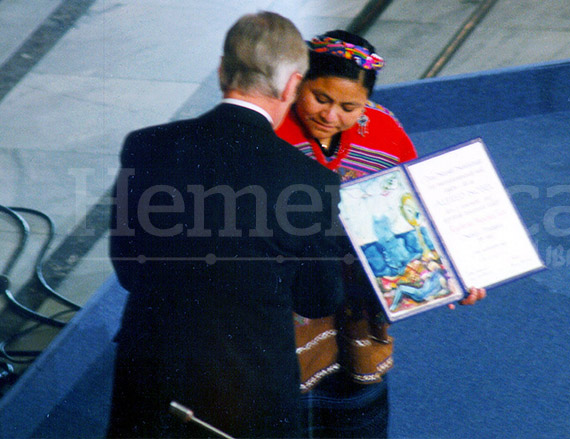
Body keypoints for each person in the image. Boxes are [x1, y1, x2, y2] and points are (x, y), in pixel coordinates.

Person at [107, 12, 347, 439]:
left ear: (221, 71)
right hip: (247, 400)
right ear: (293, 85)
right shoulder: (310, 182)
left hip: (151, 383)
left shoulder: (145, 146)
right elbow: (318, 297)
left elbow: (128, 270)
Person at [276, 30, 486, 438]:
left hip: (359, 305)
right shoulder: (271, 129)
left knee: (355, 410)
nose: (331, 116)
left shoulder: (385, 130)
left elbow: (418, 211)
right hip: (290, 302)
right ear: (299, 82)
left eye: (349, 106)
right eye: (321, 98)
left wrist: (457, 272)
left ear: (366, 103)